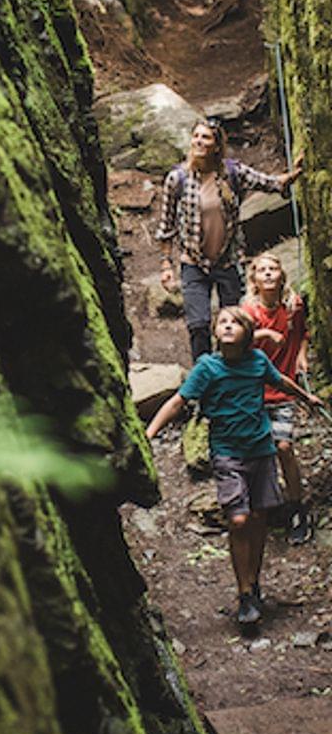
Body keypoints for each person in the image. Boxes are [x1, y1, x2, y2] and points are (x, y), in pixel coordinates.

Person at [146, 306, 322, 627]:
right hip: (228, 454)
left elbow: (279, 381)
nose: (227, 326)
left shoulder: (257, 361)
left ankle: (252, 583)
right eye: (222, 322)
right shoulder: (207, 368)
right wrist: (149, 433)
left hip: (261, 451)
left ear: (247, 333)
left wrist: (305, 398)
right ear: (215, 332)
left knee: (258, 518)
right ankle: (243, 590)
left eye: (235, 323)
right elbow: (178, 401)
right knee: (239, 519)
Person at [156, 118, 303, 361]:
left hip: (228, 262)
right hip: (193, 263)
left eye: (206, 138)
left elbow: (269, 183)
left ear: (216, 146)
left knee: (235, 326)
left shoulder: (232, 173)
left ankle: (232, 376)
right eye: (197, 137)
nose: (199, 142)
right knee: (199, 325)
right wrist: (165, 264)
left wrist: (293, 174)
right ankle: (204, 383)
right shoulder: (178, 178)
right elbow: (166, 224)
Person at [242, 253, 312, 544]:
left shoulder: (293, 306)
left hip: (284, 389)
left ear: (282, 275)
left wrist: (301, 355)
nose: (269, 274)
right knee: (258, 452)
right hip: (254, 393)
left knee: (283, 446)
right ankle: (263, 505)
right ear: (254, 280)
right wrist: (266, 333)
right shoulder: (248, 311)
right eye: (262, 270)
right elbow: (239, 343)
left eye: (273, 269)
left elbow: (304, 333)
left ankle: (297, 507)